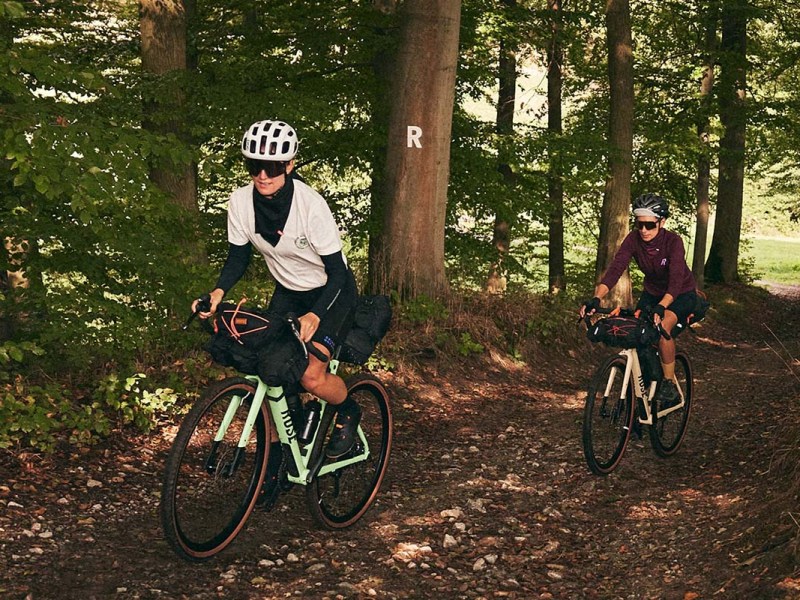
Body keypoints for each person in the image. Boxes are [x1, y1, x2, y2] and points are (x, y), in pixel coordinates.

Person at [194, 120, 360, 490]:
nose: (263, 175)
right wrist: (218, 293)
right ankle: (279, 455)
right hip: (287, 291)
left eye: (272, 166)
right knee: (268, 370)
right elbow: (238, 258)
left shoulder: (310, 206)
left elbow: (337, 273)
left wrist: (316, 314)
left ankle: (348, 410)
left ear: (290, 165)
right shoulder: (240, 202)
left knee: (309, 375)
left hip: (331, 294)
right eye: (254, 165)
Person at [579, 193, 698, 408]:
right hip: (652, 293)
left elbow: (676, 279)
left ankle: (669, 383)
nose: (643, 230)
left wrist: (663, 306)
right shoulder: (634, 239)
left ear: (662, 222)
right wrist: (596, 298)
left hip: (680, 294)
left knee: (662, 328)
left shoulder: (673, 241)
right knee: (637, 334)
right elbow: (616, 269)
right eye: (639, 224)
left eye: (649, 225)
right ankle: (641, 394)